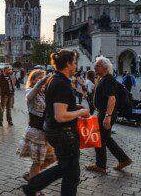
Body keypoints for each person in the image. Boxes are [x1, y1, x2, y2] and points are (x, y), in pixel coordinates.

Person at [22, 49, 90, 196]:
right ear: (68, 64)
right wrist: (81, 112)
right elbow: (60, 116)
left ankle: (31, 187)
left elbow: (55, 106)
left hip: (55, 131)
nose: (75, 66)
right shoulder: (61, 83)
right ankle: (32, 186)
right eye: (74, 63)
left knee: (65, 168)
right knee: (71, 174)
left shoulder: (54, 79)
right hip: (64, 133)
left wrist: (73, 107)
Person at [85, 56, 132, 173]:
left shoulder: (108, 79)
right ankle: (124, 159)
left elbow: (112, 99)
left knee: (99, 139)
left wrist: (108, 116)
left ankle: (101, 165)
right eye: (95, 65)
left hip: (106, 113)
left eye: (98, 66)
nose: (94, 67)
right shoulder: (102, 79)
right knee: (106, 138)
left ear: (105, 68)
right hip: (104, 113)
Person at [18, 69, 56, 185]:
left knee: (53, 158)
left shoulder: (47, 92)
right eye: (39, 78)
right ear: (33, 80)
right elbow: (29, 96)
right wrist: (43, 81)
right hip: (37, 131)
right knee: (37, 162)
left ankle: (31, 175)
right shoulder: (30, 90)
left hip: (47, 131)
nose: (42, 81)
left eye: (43, 78)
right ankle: (34, 186)